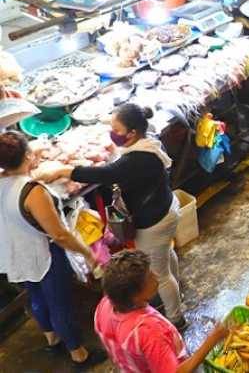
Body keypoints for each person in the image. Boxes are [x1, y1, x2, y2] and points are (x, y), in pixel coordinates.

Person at [36, 103, 186, 328]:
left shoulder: (135, 160)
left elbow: (106, 173)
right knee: (164, 256)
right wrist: (106, 120)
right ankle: (175, 291)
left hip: (154, 221)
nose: (112, 132)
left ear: (132, 133)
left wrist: (62, 171)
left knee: (160, 274)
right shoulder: (149, 140)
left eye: (116, 129)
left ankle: (176, 318)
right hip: (166, 207)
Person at [0, 131, 106, 367]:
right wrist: (87, 254)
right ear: (28, 155)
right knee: (60, 303)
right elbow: (59, 235)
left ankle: (52, 339)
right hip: (43, 255)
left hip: (15, 253)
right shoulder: (32, 192)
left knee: (36, 296)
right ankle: (79, 354)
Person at [95, 249, 229, 373]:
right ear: (136, 296)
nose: (156, 275)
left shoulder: (104, 306)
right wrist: (213, 339)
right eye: (149, 276)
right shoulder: (149, 332)